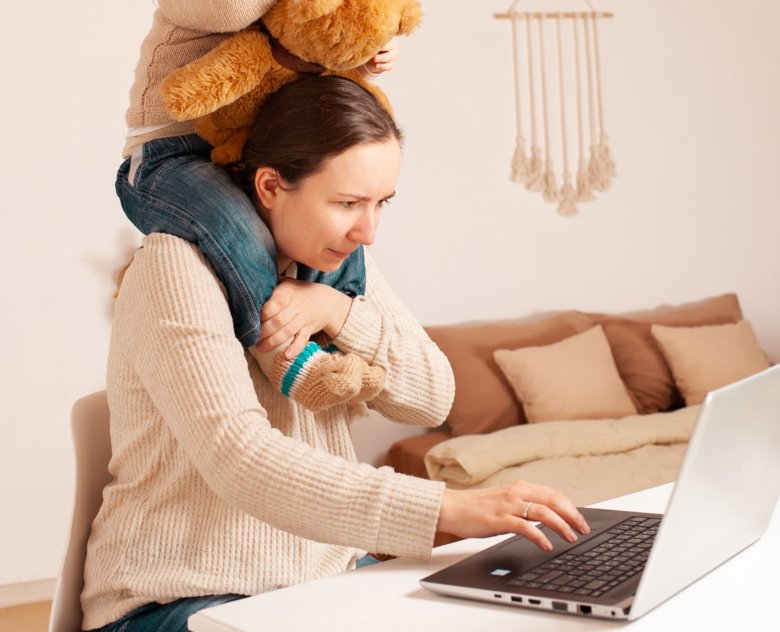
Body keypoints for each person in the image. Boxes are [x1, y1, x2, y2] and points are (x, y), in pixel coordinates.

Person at [82, 75, 590, 632]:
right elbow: (242, 460)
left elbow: (433, 396)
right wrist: (447, 509)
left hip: (322, 582)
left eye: (381, 203)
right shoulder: (173, 267)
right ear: (271, 186)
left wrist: (338, 311)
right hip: (184, 599)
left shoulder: (334, 267)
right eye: (348, 203)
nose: (367, 231)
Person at [117, 0, 401, 412]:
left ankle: (332, 344)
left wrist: (366, 51)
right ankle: (284, 358)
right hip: (170, 153)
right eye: (350, 203)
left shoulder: (321, 232)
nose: (368, 228)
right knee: (234, 224)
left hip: (243, 143)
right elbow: (229, 13)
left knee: (343, 249)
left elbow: (315, 35)